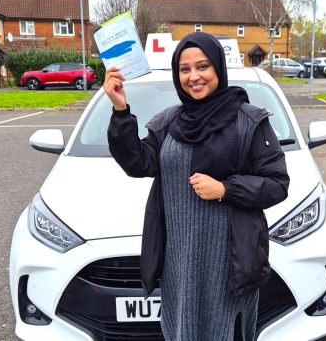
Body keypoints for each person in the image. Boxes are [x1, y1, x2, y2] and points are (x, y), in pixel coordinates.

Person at [103, 31, 289, 341]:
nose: (194, 77)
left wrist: (226, 189)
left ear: (218, 67)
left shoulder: (248, 120)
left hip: (229, 266)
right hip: (180, 264)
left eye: (202, 66)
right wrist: (121, 110)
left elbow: (276, 183)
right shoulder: (168, 123)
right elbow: (138, 163)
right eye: (185, 69)